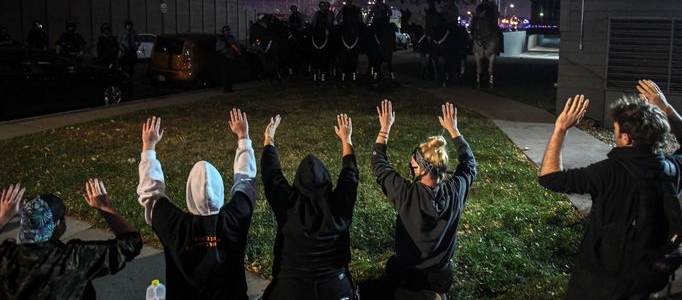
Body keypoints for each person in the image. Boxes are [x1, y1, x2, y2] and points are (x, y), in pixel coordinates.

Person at [538, 81, 682, 299]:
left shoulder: (606, 173)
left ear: (626, 138)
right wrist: (666, 109)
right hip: (645, 282)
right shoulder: (671, 171)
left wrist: (560, 128)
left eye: (615, 128)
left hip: (597, 283)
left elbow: (550, 177)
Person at [136, 111, 257, 299]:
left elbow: (151, 193)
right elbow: (246, 181)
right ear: (220, 189)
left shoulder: (176, 226)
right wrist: (243, 137)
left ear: (189, 192)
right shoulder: (236, 218)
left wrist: (149, 147)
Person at [369, 100, 476, 299]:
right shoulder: (456, 190)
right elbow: (469, 164)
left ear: (421, 169)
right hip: (440, 276)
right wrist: (454, 131)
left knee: (393, 268)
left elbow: (378, 162)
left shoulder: (405, 193)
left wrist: (385, 129)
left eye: (412, 165)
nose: (410, 169)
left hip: (409, 274)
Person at [261, 113, 359, 299]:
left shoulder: (288, 205)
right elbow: (350, 175)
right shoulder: (339, 206)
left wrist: (269, 139)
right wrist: (346, 140)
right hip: (335, 286)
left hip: (290, 288)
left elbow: (271, 175)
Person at [0, 180, 143, 299]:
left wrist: (3, 217)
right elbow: (131, 243)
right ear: (58, 224)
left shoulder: (6, 257)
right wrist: (104, 207)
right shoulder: (74, 259)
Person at [216, 25, 242, 93]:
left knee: (230, 74)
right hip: (224, 58)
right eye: (225, 31)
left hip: (230, 58)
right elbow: (219, 48)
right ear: (223, 32)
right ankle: (226, 88)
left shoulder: (231, 38)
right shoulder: (221, 39)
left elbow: (236, 46)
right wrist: (225, 49)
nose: (227, 32)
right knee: (225, 74)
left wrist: (237, 51)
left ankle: (229, 88)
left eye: (228, 31)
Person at [117, 19, 139, 86]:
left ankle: (131, 79)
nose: (129, 27)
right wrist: (121, 48)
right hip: (125, 50)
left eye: (130, 25)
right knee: (124, 65)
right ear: (125, 26)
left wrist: (136, 46)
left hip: (131, 50)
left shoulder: (133, 33)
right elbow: (118, 42)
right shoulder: (122, 33)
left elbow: (139, 41)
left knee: (131, 66)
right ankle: (124, 78)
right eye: (127, 25)